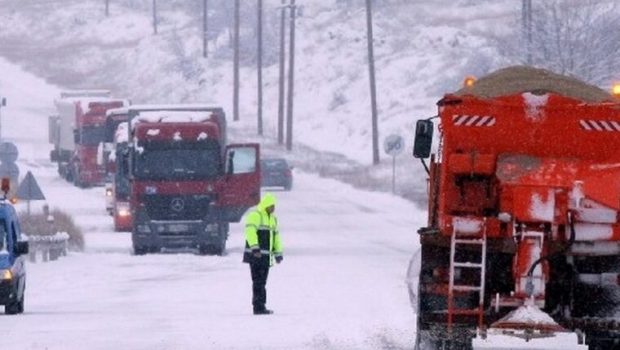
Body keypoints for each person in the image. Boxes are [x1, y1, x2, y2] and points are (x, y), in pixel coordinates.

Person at [242, 193, 283, 315]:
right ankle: (258, 307)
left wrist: (278, 253)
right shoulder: (256, 216)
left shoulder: (272, 219)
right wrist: (255, 248)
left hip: (265, 257)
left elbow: (276, 237)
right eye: (271, 206)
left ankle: (261, 305)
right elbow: (250, 232)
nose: (273, 208)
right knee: (258, 281)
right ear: (266, 205)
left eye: (274, 206)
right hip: (255, 256)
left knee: (262, 282)